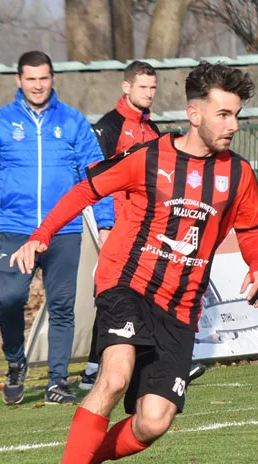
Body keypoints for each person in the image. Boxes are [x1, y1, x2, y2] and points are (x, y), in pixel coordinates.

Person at [12, 61, 258, 464]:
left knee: (153, 422)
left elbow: (251, 224)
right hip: (125, 284)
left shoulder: (238, 174)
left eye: (236, 116)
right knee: (113, 377)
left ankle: (85, 462)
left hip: (181, 307)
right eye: (223, 115)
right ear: (194, 114)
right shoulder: (149, 158)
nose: (232, 125)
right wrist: (42, 234)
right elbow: (86, 191)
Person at [0, 51, 114, 406]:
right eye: (31, 78)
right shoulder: (0, 123)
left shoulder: (74, 122)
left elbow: (96, 175)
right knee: (10, 300)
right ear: (19, 80)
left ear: (53, 79)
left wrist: (106, 221)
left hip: (63, 230)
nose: (38, 85)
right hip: (17, 231)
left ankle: (57, 383)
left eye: (44, 78)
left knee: (63, 305)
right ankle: (16, 362)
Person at [79, 61, 208, 391]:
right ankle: (96, 365)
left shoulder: (154, 132)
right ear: (126, 88)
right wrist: (105, 223)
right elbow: (94, 178)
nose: (149, 93)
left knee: (151, 288)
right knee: (115, 289)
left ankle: (162, 357)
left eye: (153, 88)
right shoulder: (108, 128)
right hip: (118, 225)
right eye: (142, 87)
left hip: (149, 227)